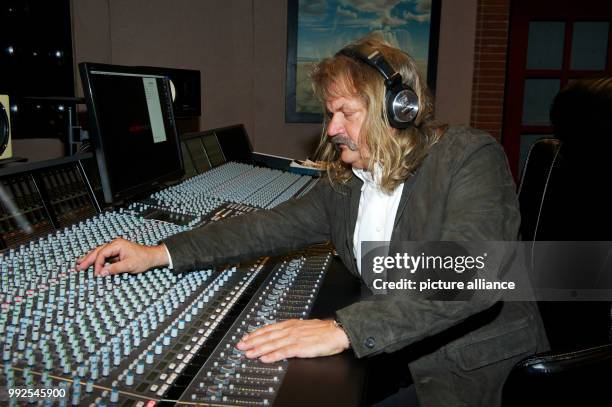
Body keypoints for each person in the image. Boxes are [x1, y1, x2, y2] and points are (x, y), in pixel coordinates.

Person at [77, 34, 549, 407]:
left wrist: (342, 329)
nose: (331, 129)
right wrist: (160, 252)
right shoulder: (348, 181)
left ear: (397, 111)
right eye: (329, 113)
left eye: (345, 112)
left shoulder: (468, 157)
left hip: (468, 375)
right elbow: (266, 226)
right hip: (396, 353)